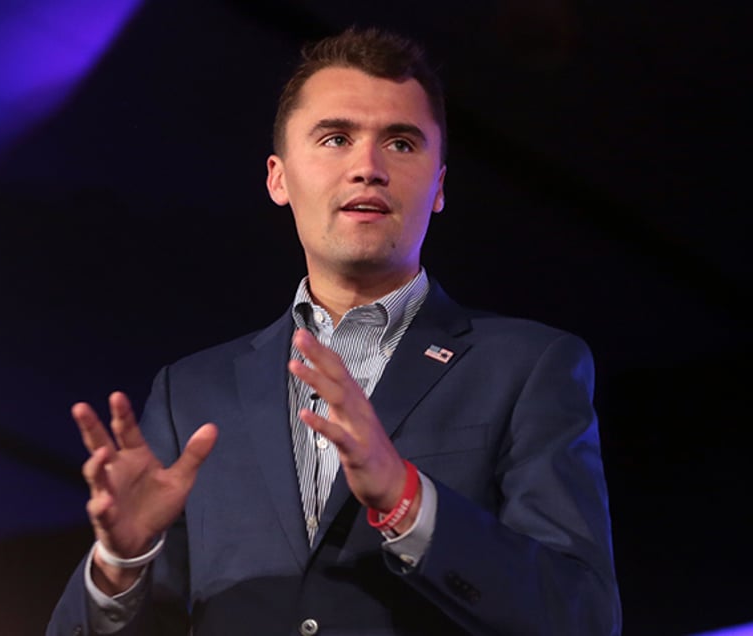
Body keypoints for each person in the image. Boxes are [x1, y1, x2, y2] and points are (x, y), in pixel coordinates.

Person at [48, 27, 622, 636]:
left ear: (440, 187)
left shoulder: (530, 365)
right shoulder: (191, 392)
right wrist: (120, 564)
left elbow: (582, 615)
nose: (367, 167)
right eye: (336, 138)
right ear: (278, 177)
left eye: (401, 143)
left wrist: (408, 500)